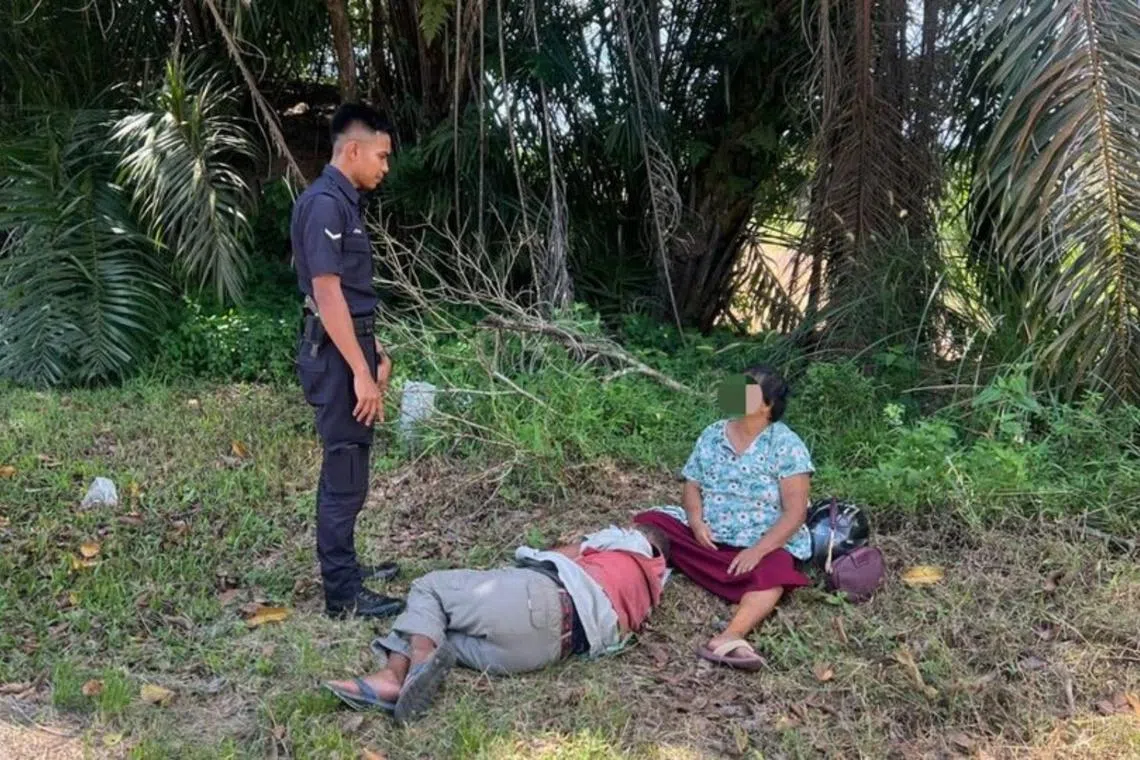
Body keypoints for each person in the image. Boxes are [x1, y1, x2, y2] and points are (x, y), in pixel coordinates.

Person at [322, 523, 671, 723]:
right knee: (431, 626)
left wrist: (529, 554)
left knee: (428, 588)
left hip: (545, 599)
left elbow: (561, 553)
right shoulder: (649, 594)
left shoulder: (630, 541)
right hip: (543, 652)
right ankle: (393, 679)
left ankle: (413, 666)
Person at [291, 103, 403, 619]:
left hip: (349, 348)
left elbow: (350, 296)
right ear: (353, 150)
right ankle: (342, 594)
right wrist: (360, 372)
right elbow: (327, 293)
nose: (385, 167)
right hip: (337, 361)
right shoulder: (324, 206)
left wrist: (372, 350)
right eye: (381, 156)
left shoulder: (344, 203)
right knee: (345, 469)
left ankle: (348, 569)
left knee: (350, 466)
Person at [633, 365, 813, 670]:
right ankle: (594, 561)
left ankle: (730, 636)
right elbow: (692, 484)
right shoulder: (713, 434)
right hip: (708, 536)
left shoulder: (786, 445)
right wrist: (695, 522)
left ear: (767, 405)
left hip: (758, 543)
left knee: (775, 571)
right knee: (651, 522)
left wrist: (757, 551)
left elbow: (795, 513)